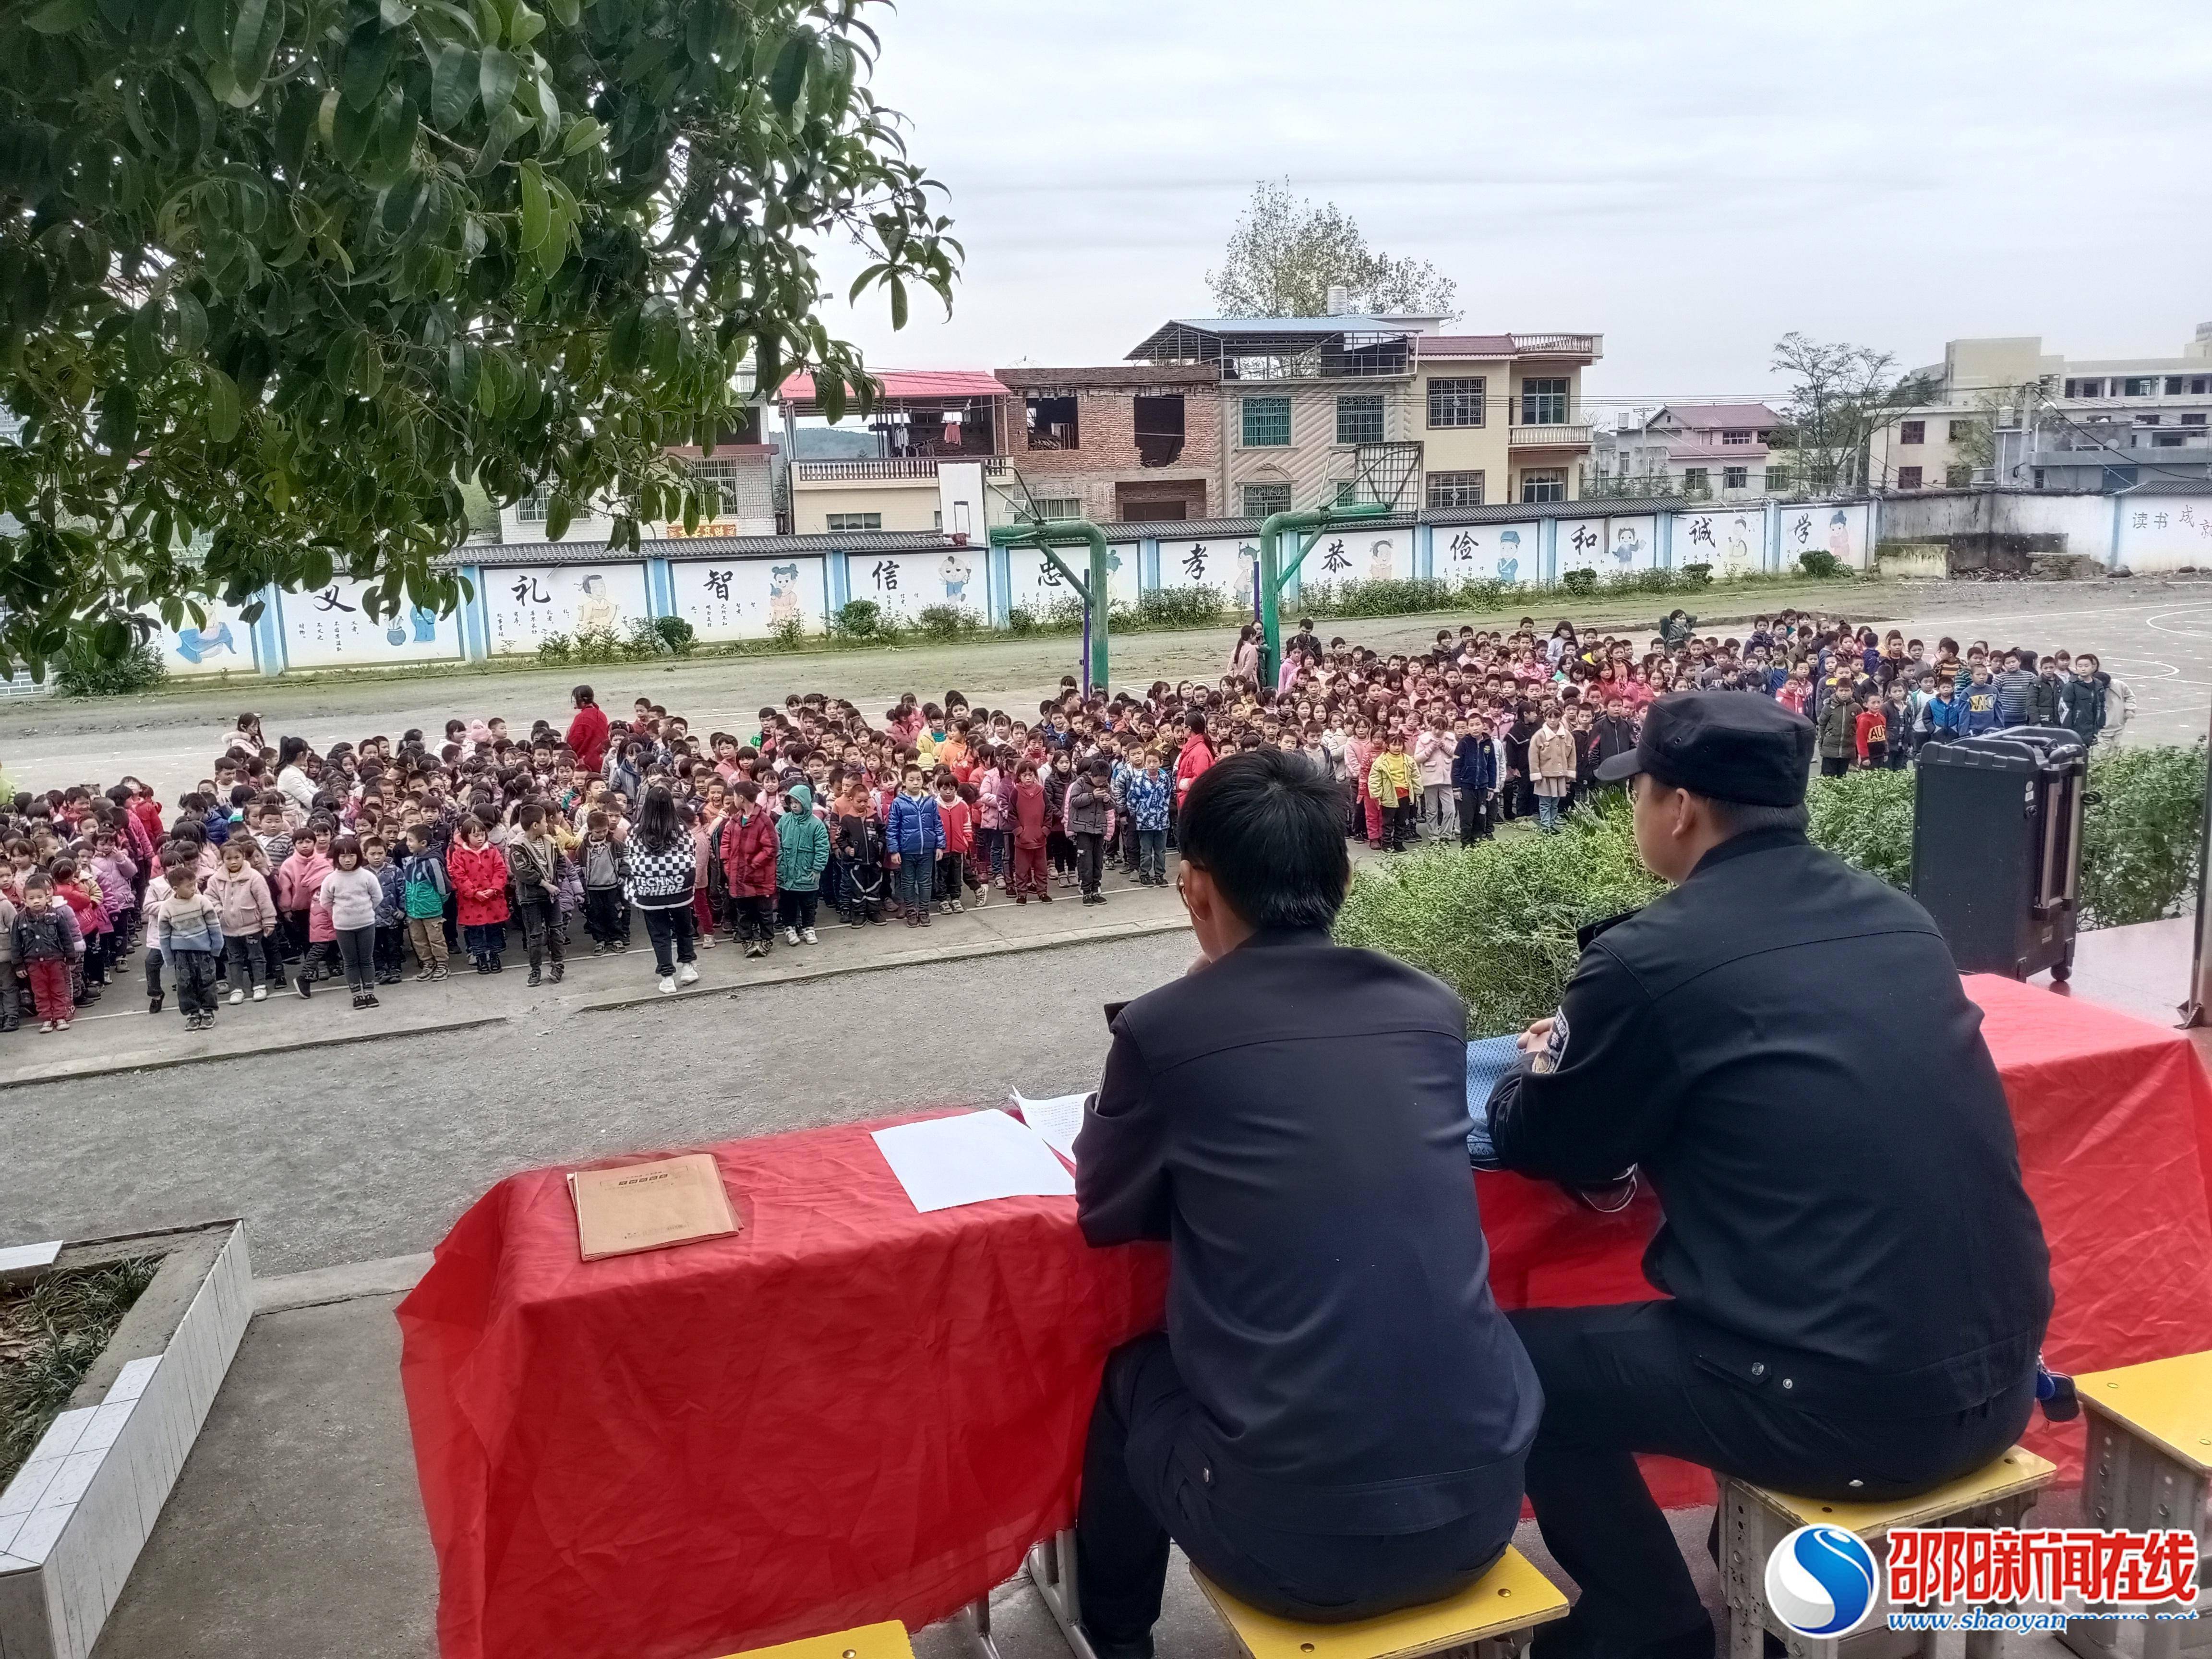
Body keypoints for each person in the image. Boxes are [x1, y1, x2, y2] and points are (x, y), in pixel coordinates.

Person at [1484, 694, 2053, 1659]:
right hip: (2001, 1381)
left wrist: (1545, 1065)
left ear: (1680, 809)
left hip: (1848, 1411)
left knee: (1506, 1365)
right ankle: (1758, 1594)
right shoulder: (1898, 918)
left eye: (1642, 792)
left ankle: (1647, 1621)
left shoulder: (1649, 960)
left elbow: (1557, 1144)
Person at [1070, 749, 1539, 1658]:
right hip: (1482, 1510)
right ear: (1345, 877)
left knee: (1129, 1377)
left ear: (1193, 889)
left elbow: (1106, 1209)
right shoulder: (1429, 1008)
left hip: (1292, 1550)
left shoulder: (1163, 1029)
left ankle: (1118, 1640)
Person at [628, 786, 701, 993]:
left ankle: (667, 977)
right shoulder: (680, 829)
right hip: (679, 887)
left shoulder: (636, 831)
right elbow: (692, 851)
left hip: (649, 891)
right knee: (683, 927)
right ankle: (687, 967)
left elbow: (630, 858)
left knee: (659, 933)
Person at [315, 834, 386, 1008]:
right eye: (343, 856)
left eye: (352, 855)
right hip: (343, 927)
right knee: (351, 961)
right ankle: (357, 994)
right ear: (336, 857)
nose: (348, 860)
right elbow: (325, 902)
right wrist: (340, 914)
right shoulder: (331, 879)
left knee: (366, 959)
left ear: (359, 856)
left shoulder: (367, 876)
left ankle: (369, 992)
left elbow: (377, 897)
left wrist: (366, 912)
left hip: (366, 925)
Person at [154, 856, 225, 1030]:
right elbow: (163, 935)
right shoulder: (167, 907)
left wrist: (217, 948)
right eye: (189, 886)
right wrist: (169, 958)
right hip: (181, 954)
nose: (194, 889)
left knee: (207, 981)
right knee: (185, 984)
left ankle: (208, 1012)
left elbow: (214, 926)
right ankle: (193, 1013)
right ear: (176, 888)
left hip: (203, 952)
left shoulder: (202, 902)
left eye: (194, 884)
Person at [206, 838, 275, 1003]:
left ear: (243, 856)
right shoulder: (215, 879)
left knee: (256, 956)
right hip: (228, 928)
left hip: (252, 926)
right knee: (234, 958)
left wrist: (269, 920)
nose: (233, 862)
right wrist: (219, 911)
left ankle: (259, 985)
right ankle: (237, 989)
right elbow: (209, 897)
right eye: (228, 859)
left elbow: (264, 899)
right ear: (222, 860)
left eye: (237, 857)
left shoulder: (254, 877)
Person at [14, 869, 84, 1033]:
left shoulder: (56, 915)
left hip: (56, 960)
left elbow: (66, 938)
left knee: (59, 989)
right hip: (33, 963)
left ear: (47, 898)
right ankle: (46, 1018)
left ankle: (60, 1016)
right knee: (40, 992)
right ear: (25, 901)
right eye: (31, 899)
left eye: (40, 897)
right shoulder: (20, 919)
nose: (36, 901)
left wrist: (71, 958)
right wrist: (18, 965)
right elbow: (16, 943)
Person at [506, 803, 567, 987]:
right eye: (543, 821)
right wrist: (546, 885)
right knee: (535, 935)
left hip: (552, 896)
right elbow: (523, 872)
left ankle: (558, 965)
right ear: (535, 825)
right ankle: (535, 970)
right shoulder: (517, 847)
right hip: (531, 897)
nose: (547, 825)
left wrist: (558, 881)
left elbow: (561, 863)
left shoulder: (550, 842)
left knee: (556, 930)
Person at [447, 815, 511, 975]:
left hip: (493, 899)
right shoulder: (459, 854)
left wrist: (494, 889)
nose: (480, 838)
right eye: (475, 835)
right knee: (475, 931)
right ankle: (481, 957)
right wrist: (474, 892)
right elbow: (459, 876)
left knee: (494, 929)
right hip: (472, 901)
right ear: (466, 836)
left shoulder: (492, 851)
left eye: (482, 834)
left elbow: (500, 870)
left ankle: (495, 956)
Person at [722, 781, 778, 958]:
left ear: (741, 798)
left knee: (764, 911)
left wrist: (753, 864)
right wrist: (728, 865)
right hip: (739, 877)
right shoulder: (735, 819)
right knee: (744, 912)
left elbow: (771, 847)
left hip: (759, 877)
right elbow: (726, 842)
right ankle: (747, 940)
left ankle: (766, 939)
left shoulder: (763, 820)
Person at [887, 764, 944, 927]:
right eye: (911, 780)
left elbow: (937, 824)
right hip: (906, 851)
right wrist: (894, 850)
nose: (916, 783)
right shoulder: (899, 803)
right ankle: (911, 911)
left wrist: (940, 845)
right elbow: (892, 828)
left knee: (926, 881)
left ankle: (924, 911)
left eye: (918, 779)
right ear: (904, 782)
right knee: (908, 881)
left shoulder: (930, 801)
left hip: (927, 850)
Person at [774, 781, 829, 945]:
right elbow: (776, 841)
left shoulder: (816, 824)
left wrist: (818, 867)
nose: (794, 806)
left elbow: (822, 847)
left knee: (808, 903)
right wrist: (779, 861)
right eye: (792, 803)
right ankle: (790, 927)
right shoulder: (785, 820)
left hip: (808, 871)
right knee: (788, 902)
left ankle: (808, 928)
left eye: (797, 803)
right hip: (787, 872)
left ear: (805, 803)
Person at [399, 825, 453, 980]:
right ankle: (428, 963)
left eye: (411, 841)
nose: (408, 844)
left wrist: (437, 902)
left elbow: (443, 887)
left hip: (431, 909)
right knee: (418, 939)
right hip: (414, 910)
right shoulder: (411, 862)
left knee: (436, 938)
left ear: (423, 843)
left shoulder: (433, 862)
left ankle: (442, 965)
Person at [1067, 758, 1111, 905]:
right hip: (1083, 828)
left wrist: (1107, 800)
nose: (1101, 784)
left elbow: (1112, 806)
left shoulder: (1106, 785)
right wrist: (1092, 796)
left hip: (1099, 828)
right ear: (1092, 775)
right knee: (1086, 860)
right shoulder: (1080, 782)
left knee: (1098, 860)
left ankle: (1096, 889)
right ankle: (1086, 891)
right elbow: (1074, 801)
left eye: (1104, 781)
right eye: (1099, 781)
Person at [565, 685, 609, 774]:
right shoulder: (601, 715)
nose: (573, 700)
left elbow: (574, 741)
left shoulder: (582, 717)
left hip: (586, 762)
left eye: (575, 698)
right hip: (602, 760)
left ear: (583, 701)